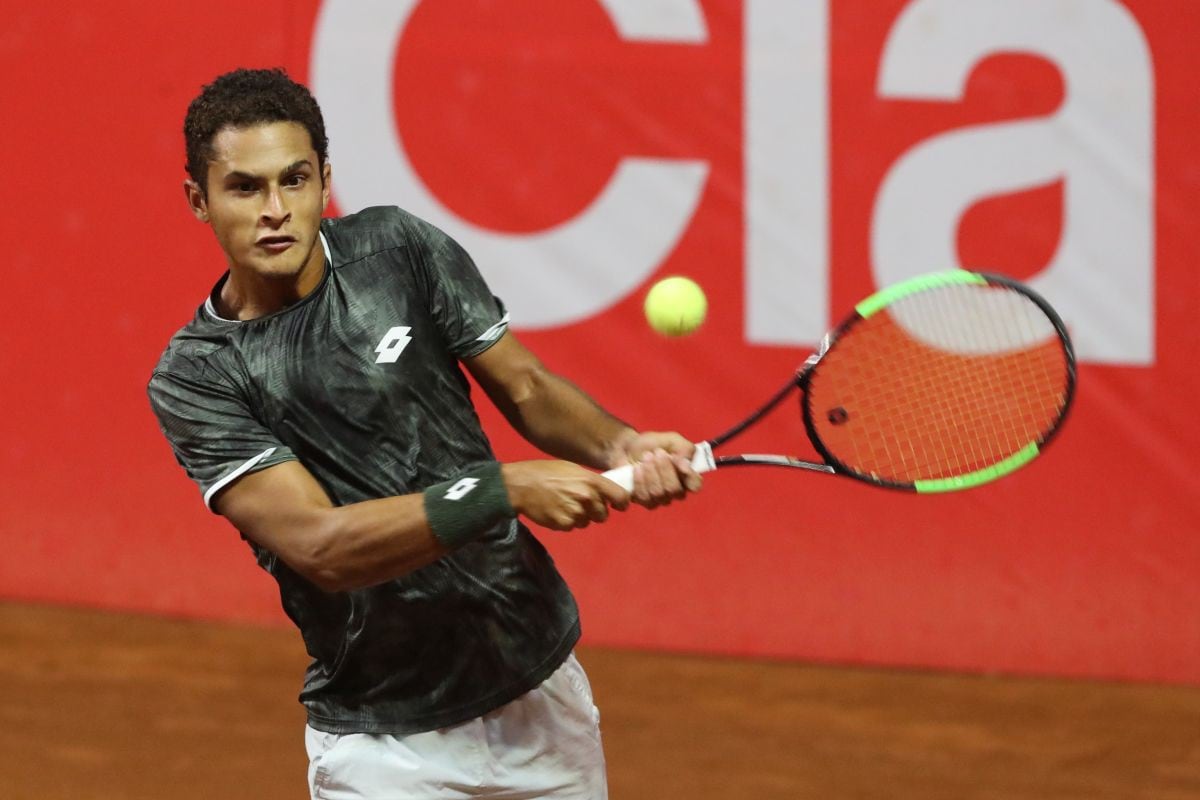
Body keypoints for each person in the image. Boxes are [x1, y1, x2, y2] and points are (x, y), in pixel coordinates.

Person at [147, 67, 701, 799]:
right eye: (245, 188)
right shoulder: (199, 376)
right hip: (385, 745)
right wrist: (500, 489)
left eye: (295, 180)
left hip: (538, 694)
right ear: (199, 200)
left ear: (325, 180)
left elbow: (527, 387)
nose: (275, 210)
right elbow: (321, 546)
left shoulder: (396, 250)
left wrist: (621, 446)